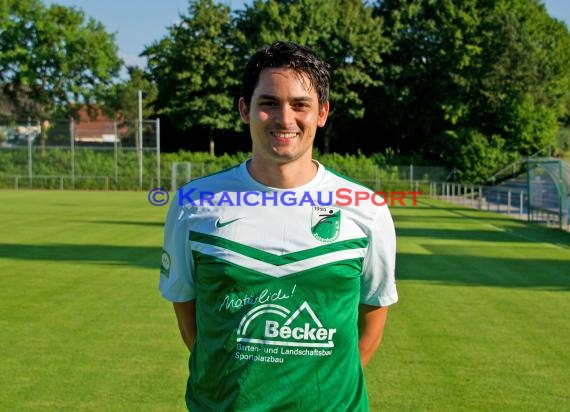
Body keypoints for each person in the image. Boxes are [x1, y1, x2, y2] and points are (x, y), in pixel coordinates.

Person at [159, 40, 398, 411]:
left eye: (300, 104)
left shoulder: (366, 209)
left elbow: (371, 322)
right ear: (245, 110)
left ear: (322, 113)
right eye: (269, 103)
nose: (285, 119)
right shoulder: (194, 204)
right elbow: (190, 318)